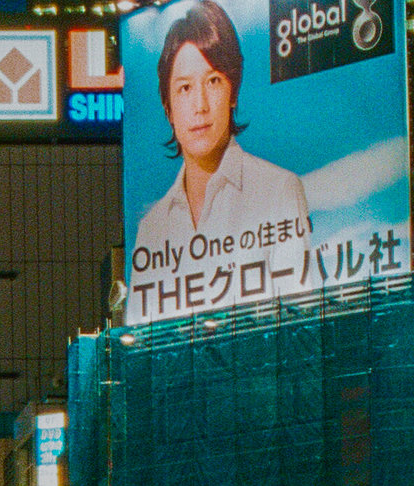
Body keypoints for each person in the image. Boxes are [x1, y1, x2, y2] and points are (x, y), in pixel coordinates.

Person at [129, 0, 314, 322]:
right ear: (167, 107)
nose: (199, 105)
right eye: (184, 88)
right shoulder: (152, 228)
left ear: (233, 92)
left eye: (213, 81)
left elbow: (303, 321)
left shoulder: (278, 190)